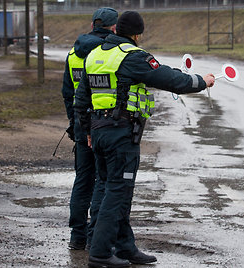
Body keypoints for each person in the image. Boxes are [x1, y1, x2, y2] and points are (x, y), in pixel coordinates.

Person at [74, 10, 215, 268]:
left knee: (110, 188)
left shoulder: (95, 55)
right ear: (137, 34)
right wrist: (202, 82)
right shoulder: (133, 56)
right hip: (121, 134)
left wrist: (87, 132)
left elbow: (81, 98)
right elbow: (171, 80)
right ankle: (101, 252)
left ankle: (125, 247)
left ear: (115, 30)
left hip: (100, 132)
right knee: (117, 191)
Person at [61, 7, 118, 251]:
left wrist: (75, 125)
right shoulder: (109, 53)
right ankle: (96, 234)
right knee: (102, 181)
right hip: (103, 126)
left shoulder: (74, 53)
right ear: (114, 27)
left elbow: (67, 93)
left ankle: (77, 236)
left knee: (83, 179)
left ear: (93, 24)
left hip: (80, 126)